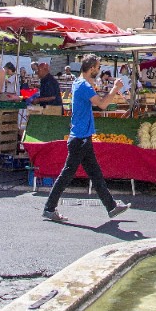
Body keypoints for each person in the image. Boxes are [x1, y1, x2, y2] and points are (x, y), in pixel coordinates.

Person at [42, 54, 131, 222]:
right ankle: (49, 208)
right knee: (67, 175)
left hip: (82, 137)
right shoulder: (84, 85)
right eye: (97, 67)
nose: (99, 70)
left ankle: (111, 207)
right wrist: (114, 89)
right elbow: (102, 104)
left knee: (95, 175)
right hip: (80, 138)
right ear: (91, 69)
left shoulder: (79, 82)